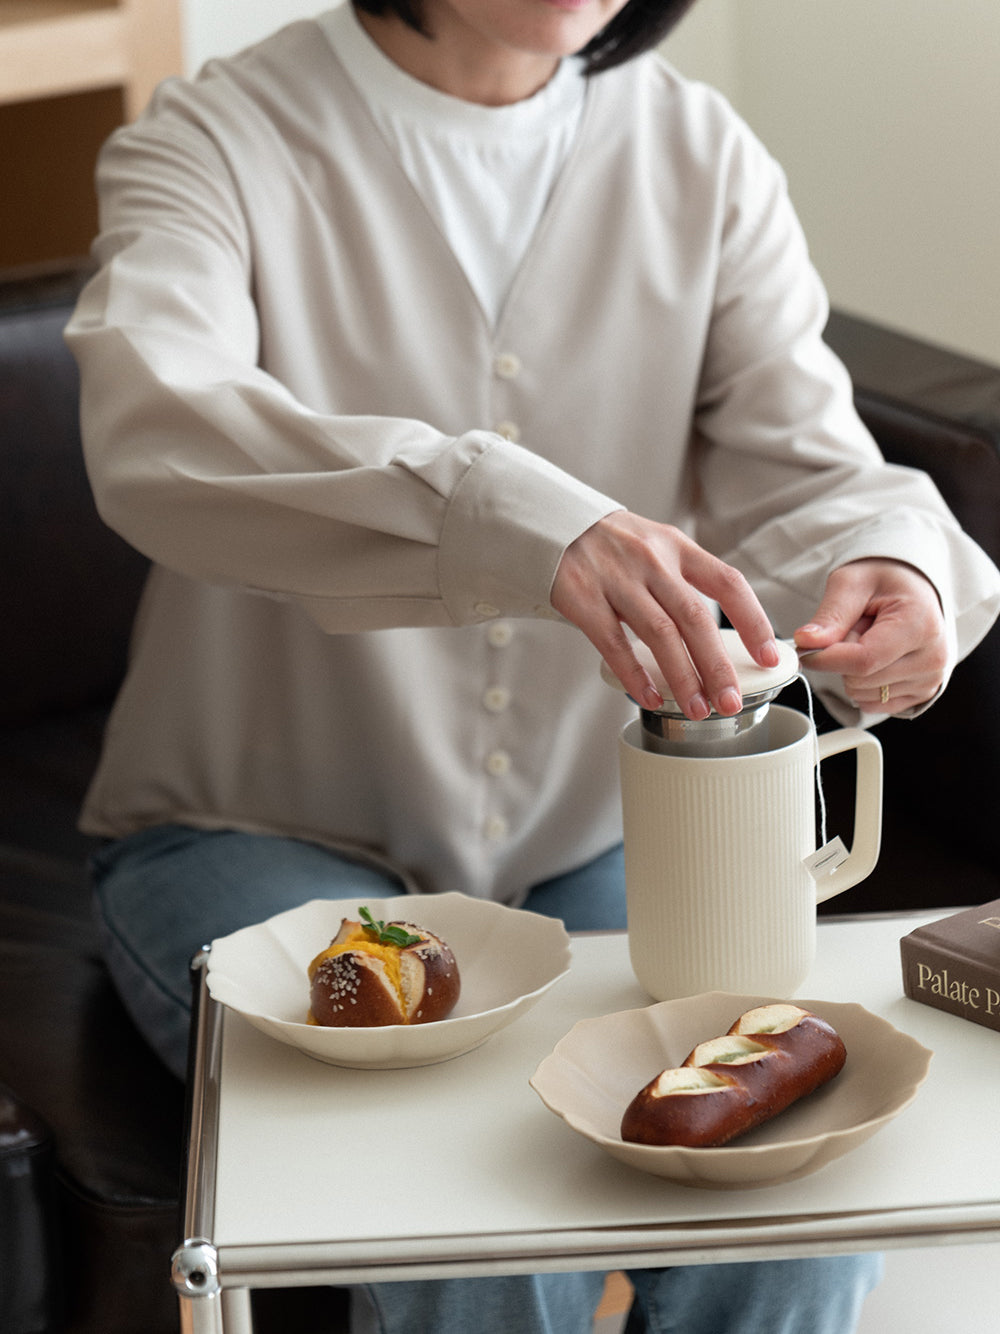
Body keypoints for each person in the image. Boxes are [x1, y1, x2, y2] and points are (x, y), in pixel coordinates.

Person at [66, 1, 999, 1331]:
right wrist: (519, 523)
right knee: (475, 1228)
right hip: (256, 831)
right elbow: (161, 428)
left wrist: (897, 567)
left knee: (791, 1203)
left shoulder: (700, 155)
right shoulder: (218, 135)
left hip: (602, 833)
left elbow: (808, 466)